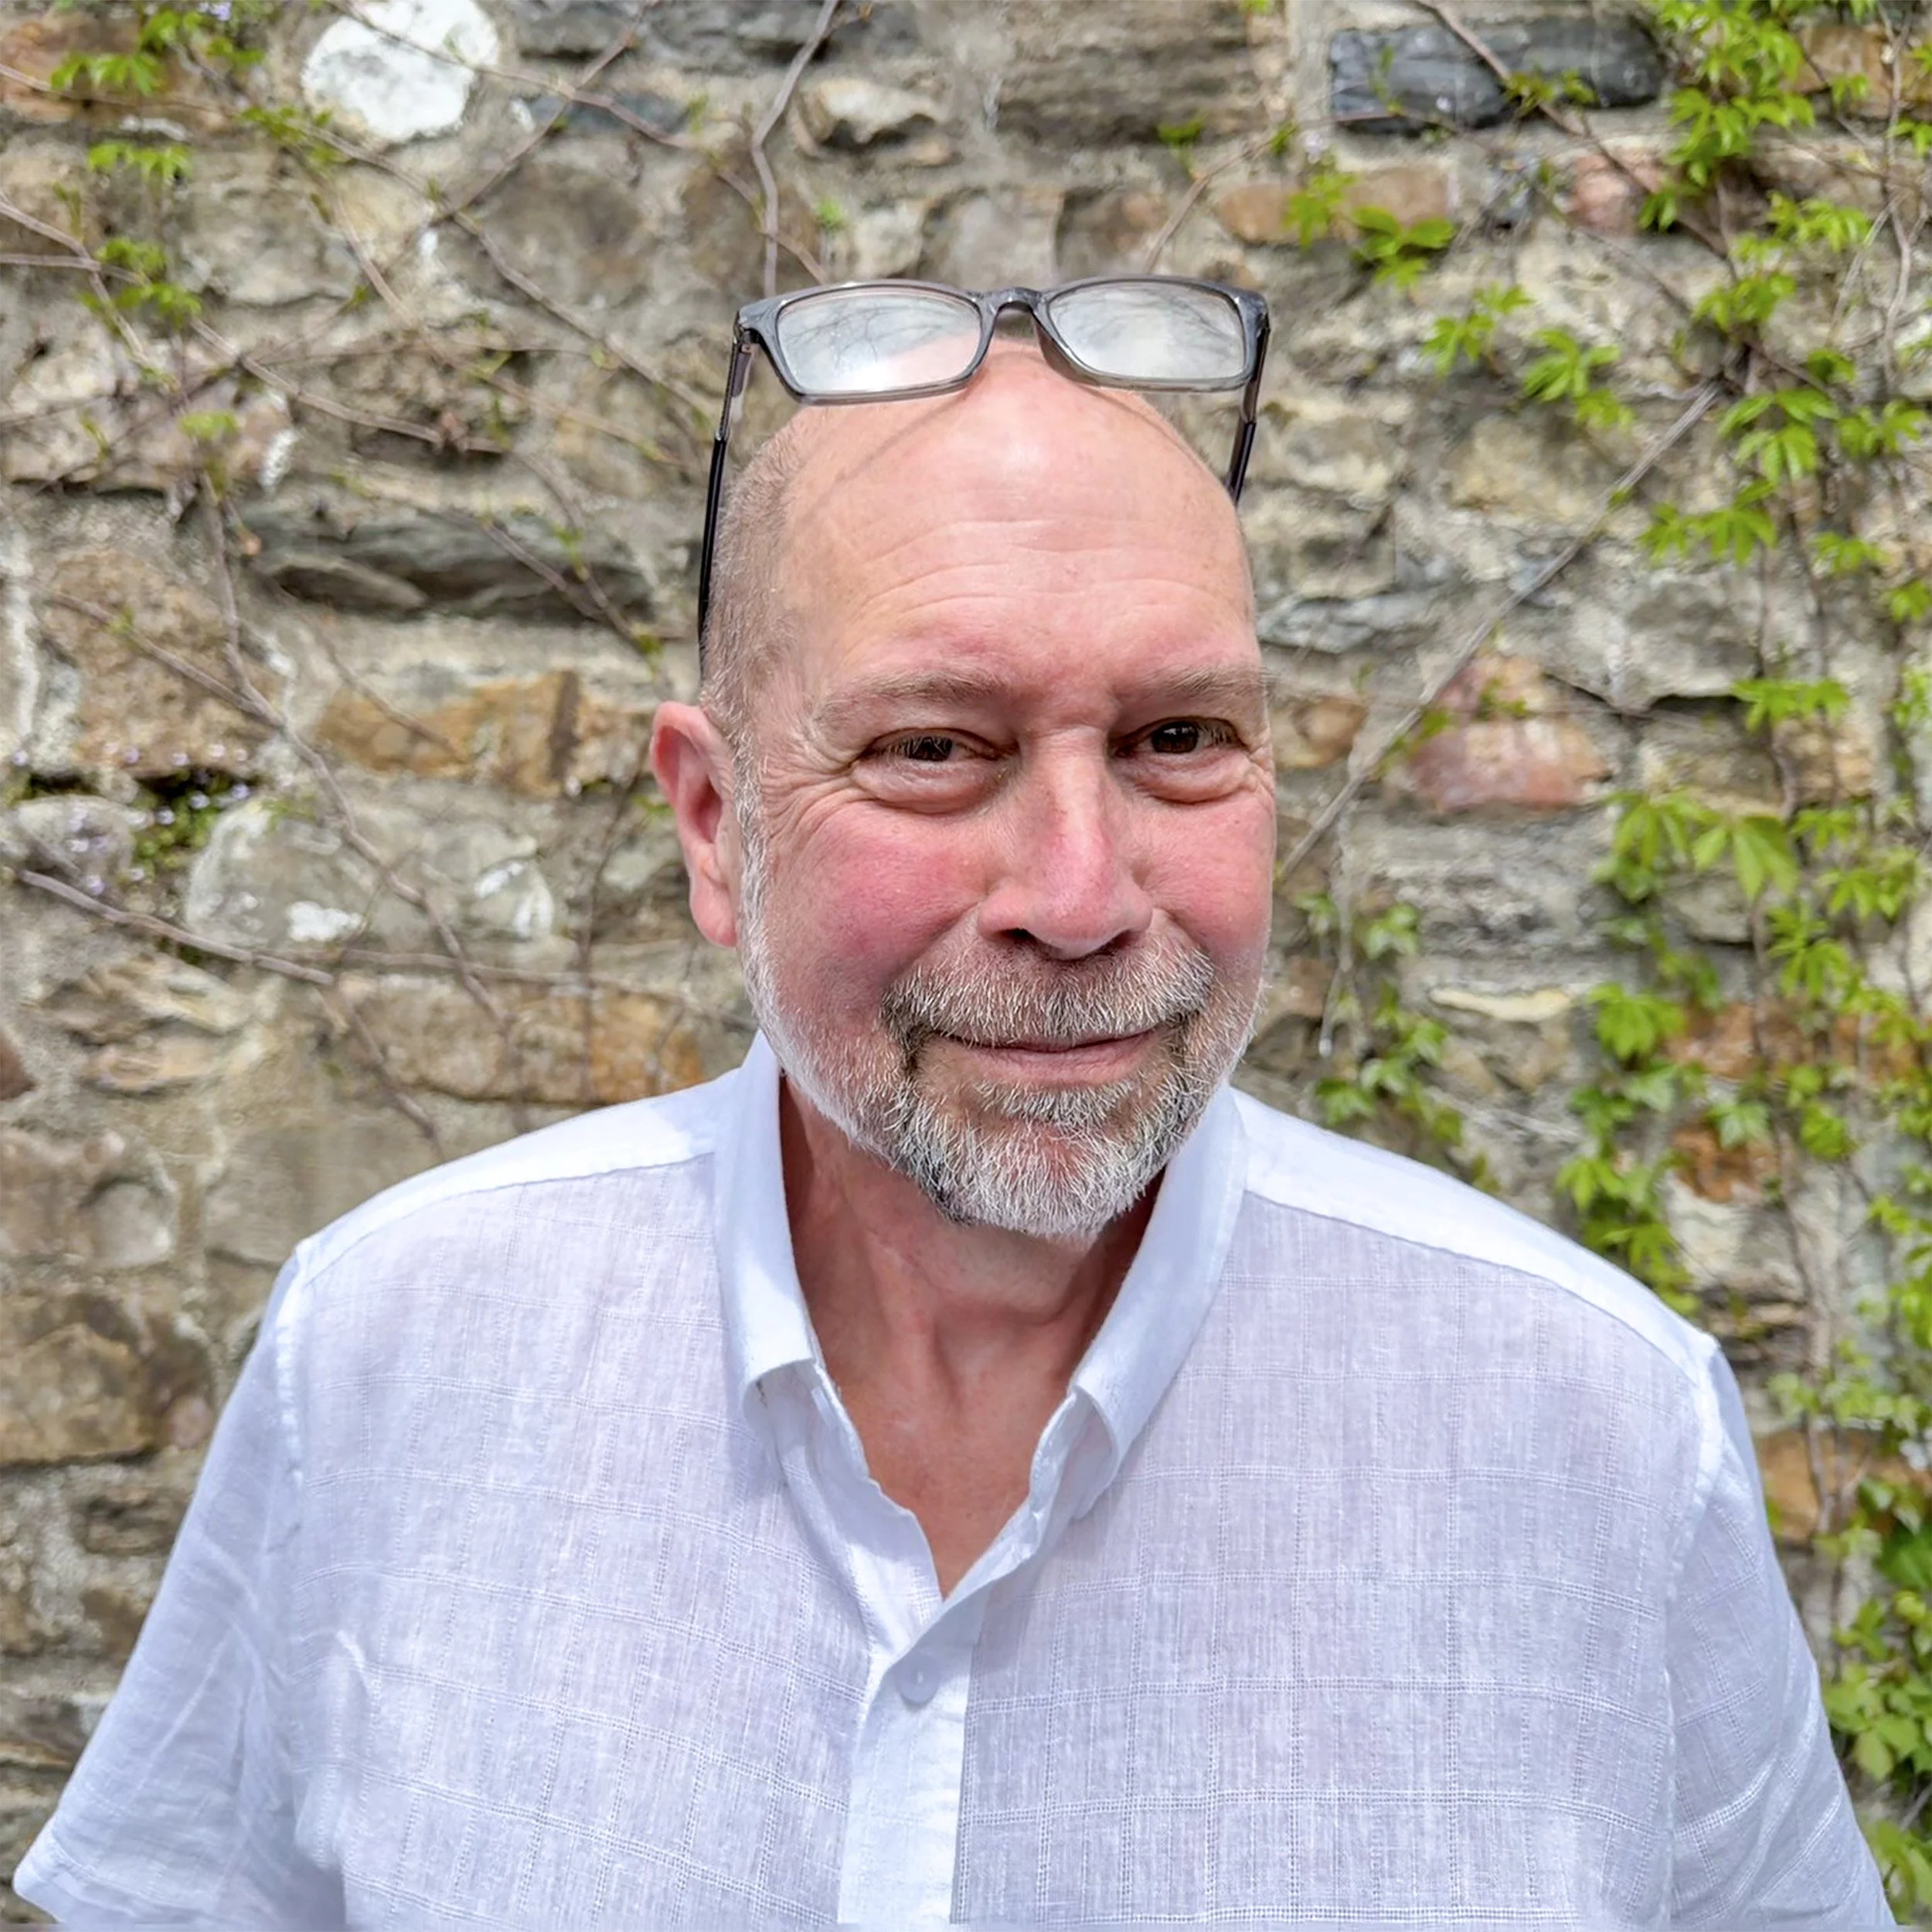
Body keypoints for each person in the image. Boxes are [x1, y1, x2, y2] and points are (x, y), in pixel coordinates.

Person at [14, 277, 1889, 1928]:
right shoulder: (393, 1353)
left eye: (1176, 740)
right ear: (711, 825)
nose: (1078, 895)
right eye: (933, 750)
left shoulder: (1600, 1438)